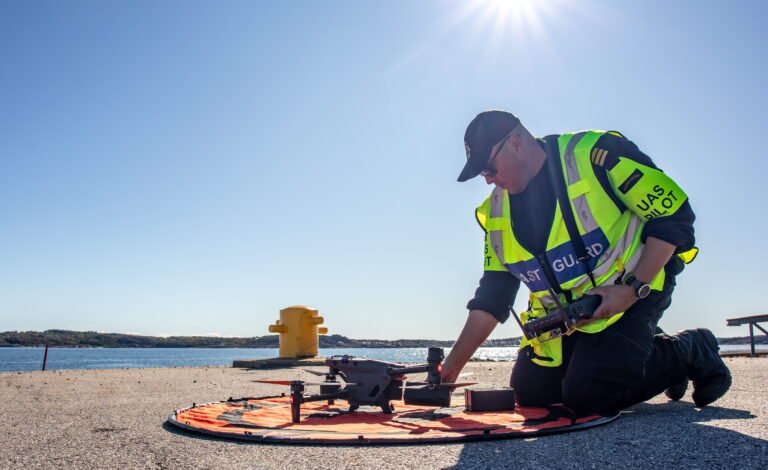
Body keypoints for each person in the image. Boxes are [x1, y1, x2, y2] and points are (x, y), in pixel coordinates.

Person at [442, 110, 731, 415]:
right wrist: (451, 368)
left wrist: (631, 290)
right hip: (573, 316)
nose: (487, 180)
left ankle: (689, 349)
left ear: (514, 142)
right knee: (532, 394)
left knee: (588, 395)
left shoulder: (596, 156)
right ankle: (644, 351)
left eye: (488, 168)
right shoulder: (496, 213)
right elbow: (494, 296)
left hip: (639, 282)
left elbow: (675, 217)